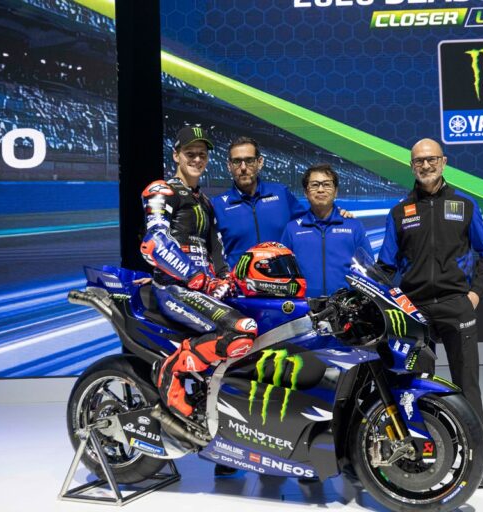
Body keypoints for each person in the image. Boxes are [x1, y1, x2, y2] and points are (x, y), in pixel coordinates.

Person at [377, 138, 483, 489]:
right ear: (411, 166)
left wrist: (474, 295)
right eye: (419, 161)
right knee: (414, 386)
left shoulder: (465, 205)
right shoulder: (400, 211)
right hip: (414, 312)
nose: (425, 166)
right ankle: (423, 454)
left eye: (431, 160)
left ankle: (476, 463)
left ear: (444, 162)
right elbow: (386, 265)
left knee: (466, 385)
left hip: (456, 306)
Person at [139, 126, 257, 419]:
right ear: (176, 155)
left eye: (201, 154)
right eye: (190, 153)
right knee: (241, 330)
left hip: (201, 290)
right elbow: (154, 243)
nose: (196, 159)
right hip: (174, 288)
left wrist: (226, 278)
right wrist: (194, 276)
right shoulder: (161, 190)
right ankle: (171, 370)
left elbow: (216, 251)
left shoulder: (205, 201)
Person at [211, 136, 306, 268]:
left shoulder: (281, 194)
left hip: (282, 279)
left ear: (260, 162)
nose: (243, 167)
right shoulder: (217, 205)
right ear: (229, 166)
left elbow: (309, 227)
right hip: (238, 281)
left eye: (249, 160)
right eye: (237, 161)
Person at [281, 163, 373, 297]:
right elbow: (284, 272)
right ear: (306, 192)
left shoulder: (354, 226)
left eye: (326, 184)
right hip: (304, 306)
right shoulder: (292, 229)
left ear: (336, 192)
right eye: (314, 185)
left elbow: (368, 270)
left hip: (345, 306)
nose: (320, 190)